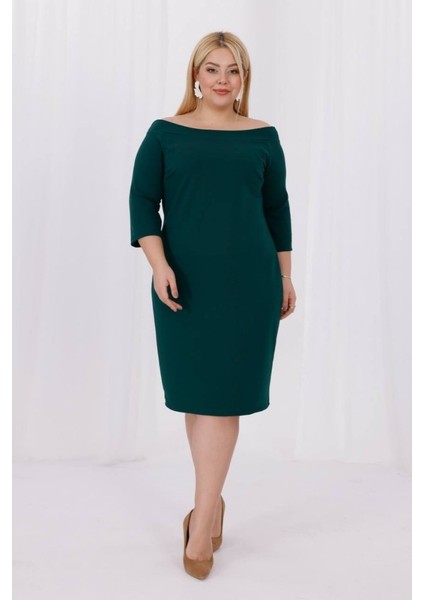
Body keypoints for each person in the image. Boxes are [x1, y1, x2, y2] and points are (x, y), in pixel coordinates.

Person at [129, 31, 296, 579]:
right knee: (199, 400)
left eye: (233, 70)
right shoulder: (165, 133)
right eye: (213, 69)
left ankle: (201, 523)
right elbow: (142, 201)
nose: (223, 80)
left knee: (223, 401)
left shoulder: (263, 135)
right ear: (196, 76)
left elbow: (276, 208)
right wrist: (159, 266)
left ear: (244, 79)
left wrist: (285, 276)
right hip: (184, 282)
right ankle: (213, 502)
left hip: (249, 284)